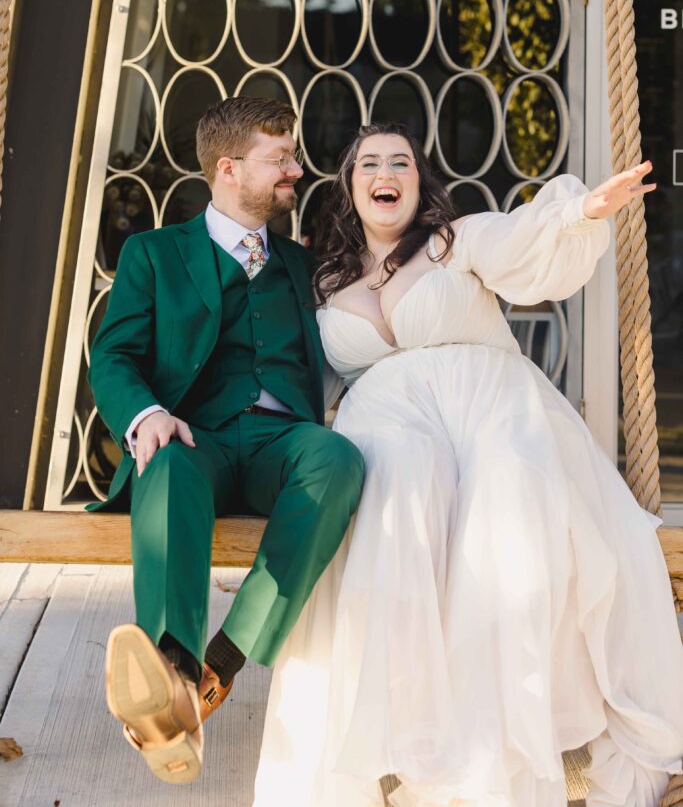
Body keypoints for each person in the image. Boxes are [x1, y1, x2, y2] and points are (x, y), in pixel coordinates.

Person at [253, 121, 683, 807]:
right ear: (349, 186)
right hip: (389, 421)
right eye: (369, 163)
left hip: (490, 405)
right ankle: (412, 735)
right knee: (396, 492)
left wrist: (579, 211)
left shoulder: (456, 242)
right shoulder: (322, 276)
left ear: (418, 185)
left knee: (505, 506)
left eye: (401, 161)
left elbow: (522, 242)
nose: (385, 171)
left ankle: (487, 751)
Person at [86, 96, 364, 784]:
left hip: (281, 445)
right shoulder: (154, 253)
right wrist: (145, 412)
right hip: (194, 437)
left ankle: (220, 662)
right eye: (280, 160)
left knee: (336, 458)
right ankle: (171, 671)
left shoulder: (300, 265)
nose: (296, 171)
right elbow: (113, 355)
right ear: (230, 169)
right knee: (166, 462)